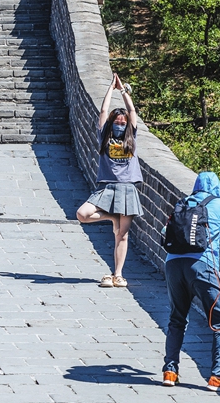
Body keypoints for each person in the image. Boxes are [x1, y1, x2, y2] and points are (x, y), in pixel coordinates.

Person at [161, 171, 220, 392]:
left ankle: (170, 372)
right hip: (203, 267)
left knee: (177, 319)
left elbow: (165, 232)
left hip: (173, 265)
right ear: (217, 186)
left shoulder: (183, 203)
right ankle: (218, 377)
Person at [75, 73, 140, 288]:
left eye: (122, 122)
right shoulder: (104, 135)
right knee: (82, 214)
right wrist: (110, 89)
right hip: (107, 187)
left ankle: (118, 274)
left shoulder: (131, 136)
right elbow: (103, 111)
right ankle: (111, 217)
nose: (120, 124)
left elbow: (132, 111)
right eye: (117, 122)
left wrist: (124, 92)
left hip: (127, 188)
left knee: (122, 235)